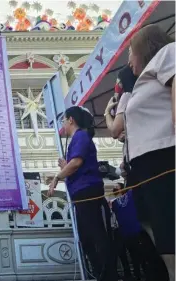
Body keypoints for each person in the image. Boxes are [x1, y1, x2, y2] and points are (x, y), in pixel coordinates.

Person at [125, 24, 175, 281]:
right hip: (145, 166)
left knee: (170, 230)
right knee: (161, 234)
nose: (129, 60)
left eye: (131, 52)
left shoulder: (169, 52)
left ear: (143, 48)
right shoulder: (142, 81)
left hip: (165, 157)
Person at [48, 106, 117, 281]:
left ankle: (107, 275)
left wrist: (57, 176)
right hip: (80, 194)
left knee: (96, 237)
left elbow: (77, 163)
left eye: (64, 120)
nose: (63, 123)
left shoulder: (81, 136)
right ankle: (100, 273)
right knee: (87, 240)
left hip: (88, 193)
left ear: (71, 119)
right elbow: (75, 167)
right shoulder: (76, 140)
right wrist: (65, 167)